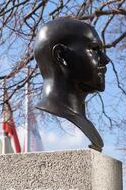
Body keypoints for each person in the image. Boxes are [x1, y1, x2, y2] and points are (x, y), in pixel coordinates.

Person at [34, 17, 110, 152]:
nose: (105, 59)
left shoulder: (85, 125)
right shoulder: (49, 123)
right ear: (61, 55)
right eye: (94, 49)